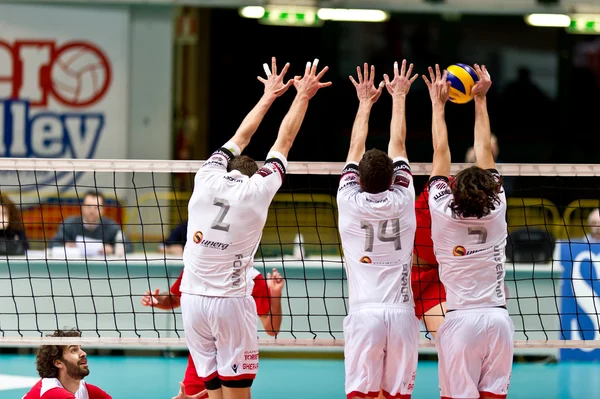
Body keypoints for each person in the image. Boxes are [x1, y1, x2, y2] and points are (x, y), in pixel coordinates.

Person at [179, 57, 331, 399]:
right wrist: (302, 95)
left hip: (192, 302)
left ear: (226, 168)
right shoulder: (257, 190)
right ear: (253, 174)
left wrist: (268, 95)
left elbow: (241, 137)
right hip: (230, 303)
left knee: (213, 391)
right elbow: (284, 141)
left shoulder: (205, 177)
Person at [424, 64, 513, 399]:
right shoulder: (497, 208)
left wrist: (438, 104)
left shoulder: (443, 212)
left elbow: (441, 154)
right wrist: (480, 101)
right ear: (489, 191)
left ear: (454, 189)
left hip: (460, 322)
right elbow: (485, 152)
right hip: (498, 321)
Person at [338, 61, 420, 399]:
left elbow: (355, 149)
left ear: (358, 178)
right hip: (402, 315)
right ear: (392, 179)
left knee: (361, 394)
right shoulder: (404, 197)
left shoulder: (348, 199)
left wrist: (365, 102)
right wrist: (398, 97)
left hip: (364, 313)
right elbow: (398, 142)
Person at [141, 267, 285, 398]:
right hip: (202, 360)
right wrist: (157, 300)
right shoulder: (196, 267)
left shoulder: (251, 277)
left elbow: (272, 328)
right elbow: (173, 298)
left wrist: (275, 295)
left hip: (234, 359)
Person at [22, 329, 111, 399]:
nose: (83, 353)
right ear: (58, 363)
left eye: (80, 348)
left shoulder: (87, 391)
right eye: (73, 350)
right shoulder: (51, 392)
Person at [50, 191, 133, 256]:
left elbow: (129, 246)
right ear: (82, 208)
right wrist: (66, 247)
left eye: (96, 207)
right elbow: (52, 244)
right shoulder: (68, 225)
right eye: (88, 206)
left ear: (103, 209)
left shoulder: (112, 227)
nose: (92, 211)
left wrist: (112, 249)